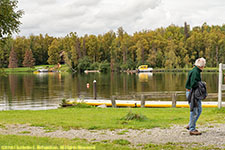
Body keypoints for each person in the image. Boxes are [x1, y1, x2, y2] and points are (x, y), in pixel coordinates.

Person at [185, 57, 206, 135]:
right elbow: (193, 83)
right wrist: (201, 84)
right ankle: (192, 129)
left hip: (193, 92)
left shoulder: (195, 70)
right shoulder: (195, 72)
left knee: (199, 110)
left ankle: (191, 124)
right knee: (194, 111)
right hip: (192, 93)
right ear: (201, 66)